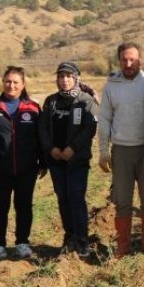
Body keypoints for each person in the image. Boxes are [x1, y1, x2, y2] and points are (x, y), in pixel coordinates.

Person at [98, 42, 144, 260]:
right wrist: (103, 150)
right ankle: (123, 245)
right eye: (124, 59)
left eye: (132, 59)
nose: (128, 63)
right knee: (122, 200)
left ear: (140, 60)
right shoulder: (111, 86)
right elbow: (104, 118)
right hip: (122, 150)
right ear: (119, 60)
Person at [0, 66, 44, 262]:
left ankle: (22, 243)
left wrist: (42, 161)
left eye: (16, 82)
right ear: (3, 82)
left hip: (27, 168)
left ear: (23, 85)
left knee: (24, 205)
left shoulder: (33, 108)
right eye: (8, 81)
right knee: (0, 207)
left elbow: (41, 137)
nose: (11, 85)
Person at [40, 61, 98, 256]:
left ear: (76, 79)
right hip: (56, 160)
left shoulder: (85, 100)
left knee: (76, 197)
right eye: (61, 76)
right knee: (63, 198)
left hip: (77, 160)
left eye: (68, 76)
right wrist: (51, 149)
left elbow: (89, 128)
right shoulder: (50, 102)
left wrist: (72, 149)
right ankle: (69, 235)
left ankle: (82, 238)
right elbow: (43, 129)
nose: (64, 80)